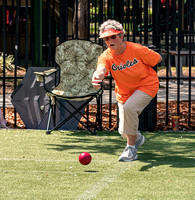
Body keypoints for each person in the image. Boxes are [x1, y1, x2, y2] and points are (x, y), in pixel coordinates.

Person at [92, 19, 162, 162]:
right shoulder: (106, 56)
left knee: (130, 108)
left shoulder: (136, 49)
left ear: (121, 36)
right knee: (124, 131)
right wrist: (96, 76)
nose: (110, 40)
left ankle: (131, 150)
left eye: (113, 36)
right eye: (106, 38)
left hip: (147, 85)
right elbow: (101, 69)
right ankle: (137, 138)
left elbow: (158, 59)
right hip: (124, 93)